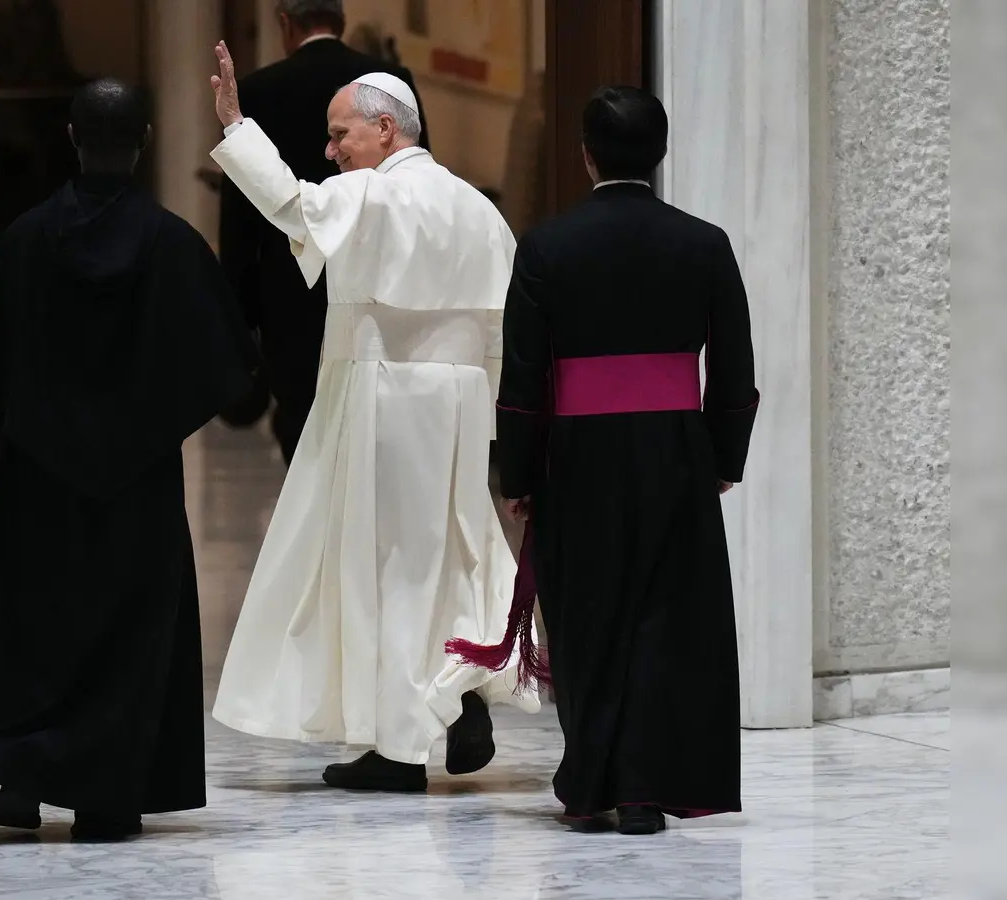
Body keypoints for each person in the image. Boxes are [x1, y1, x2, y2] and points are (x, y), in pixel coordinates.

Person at [0, 78, 258, 841]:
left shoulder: (25, 240)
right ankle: (107, 799)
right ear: (145, 141)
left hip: (36, 478)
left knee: (28, 628)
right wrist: (149, 426)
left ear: (71, 137)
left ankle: (21, 781)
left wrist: (33, 427)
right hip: (138, 484)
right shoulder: (174, 246)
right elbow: (226, 367)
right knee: (128, 637)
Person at [207, 43, 540, 793]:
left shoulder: (371, 194)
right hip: (460, 406)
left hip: (385, 397)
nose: (331, 152)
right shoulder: (478, 207)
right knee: (453, 555)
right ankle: (459, 692)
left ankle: (399, 748)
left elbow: (290, 204)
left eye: (340, 135)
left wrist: (236, 127)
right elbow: (504, 329)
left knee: (384, 568)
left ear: (385, 128)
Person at [446, 86, 760, 835]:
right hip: (676, 451)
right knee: (665, 615)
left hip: (578, 457)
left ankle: (594, 781)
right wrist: (723, 455)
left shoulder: (548, 246)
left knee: (589, 615)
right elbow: (735, 366)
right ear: (661, 152)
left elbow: (523, 377)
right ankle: (648, 788)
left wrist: (519, 474)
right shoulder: (704, 243)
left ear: (586, 154)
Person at [217, 0, 431, 465]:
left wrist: (238, 311)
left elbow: (253, 210)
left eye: (339, 137)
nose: (332, 153)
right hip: (382, 286)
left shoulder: (260, 90)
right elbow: (414, 188)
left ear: (285, 23)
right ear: (342, 20)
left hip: (290, 288)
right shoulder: (391, 80)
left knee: (303, 424)